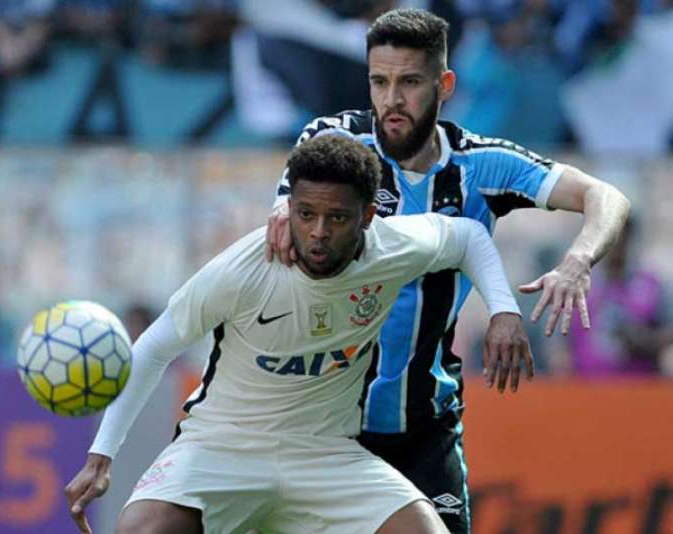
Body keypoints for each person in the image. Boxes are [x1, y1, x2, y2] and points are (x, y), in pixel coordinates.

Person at [265, 8, 631, 532]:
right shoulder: (337, 144)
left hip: (424, 429)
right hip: (327, 425)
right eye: (380, 81)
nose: (391, 100)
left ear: (445, 85)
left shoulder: (479, 166)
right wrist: (281, 211)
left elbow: (607, 196)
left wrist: (576, 261)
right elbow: (288, 211)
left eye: (410, 82)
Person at [64, 135, 532, 534]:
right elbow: (154, 347)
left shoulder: (393, 248)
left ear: (368, 216)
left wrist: (504, 311)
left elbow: (470, 236)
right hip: (223, 445)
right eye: (306, 214)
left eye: (338, 218)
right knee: (140, 529)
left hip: (325, 453)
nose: (319, 232)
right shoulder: (243, 269)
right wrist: (101, 455)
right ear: (288, 208)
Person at [568, 218, 672, 376]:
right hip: (586, 389)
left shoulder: (651, 285)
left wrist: (647, 340)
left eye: (619, 236)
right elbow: (560, 347)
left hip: (638, 389)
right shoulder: (577, 286)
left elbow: (668, 332)